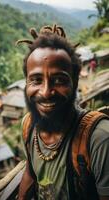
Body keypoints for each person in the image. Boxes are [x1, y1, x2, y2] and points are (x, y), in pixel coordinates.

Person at [16, 24, 109, 200]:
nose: (45, 92)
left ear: (74, 81)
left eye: (59, 80)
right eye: (36, 80)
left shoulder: (99, 140)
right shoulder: (28, 125)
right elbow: (30, 172)